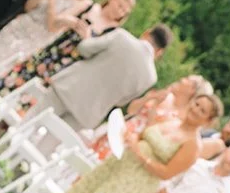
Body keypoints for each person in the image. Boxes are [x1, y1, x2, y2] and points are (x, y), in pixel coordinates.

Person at [48, 84, 222, 193]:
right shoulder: (173, 120)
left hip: (135, 184)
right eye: (197, 104)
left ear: (207, 121)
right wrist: (132, 137)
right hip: (120, 165)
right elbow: (146, 133)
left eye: (202, 111)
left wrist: (140, 155)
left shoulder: (193, 145)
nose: (196, 109)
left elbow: (167, 173)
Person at [0, 0, 136, 101]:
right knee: (18, 76)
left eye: (124, 11)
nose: (120, 11)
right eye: (120, 5)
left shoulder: (114, 32)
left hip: (66, 67)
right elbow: (56, 22)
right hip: (52, 52)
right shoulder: (89, 6)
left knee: (32, 95)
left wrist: (87, 38)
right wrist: (73, 22)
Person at [35, 21, 171, 134]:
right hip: (88, 114)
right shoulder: (150, 77)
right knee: (47, 145)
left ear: (147, 32)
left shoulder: (122, 37)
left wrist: (87, 37)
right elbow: (121, 102)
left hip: (69, 88)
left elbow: (84, 49)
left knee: (31, 122)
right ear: (160, 52)